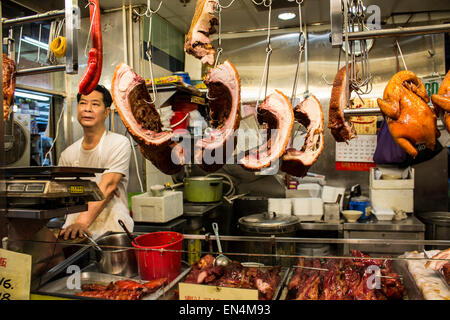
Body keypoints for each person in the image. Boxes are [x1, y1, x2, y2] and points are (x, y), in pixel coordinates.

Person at [58, 85, 134, 239]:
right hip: (74, 231)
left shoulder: (119, 143)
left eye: (95, 104)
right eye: (83, 103)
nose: (87, 109)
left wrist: (82, 223)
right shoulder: (68, 154)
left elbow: (108, 185)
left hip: (111, 232)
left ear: (106, 112)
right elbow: (62, 193)